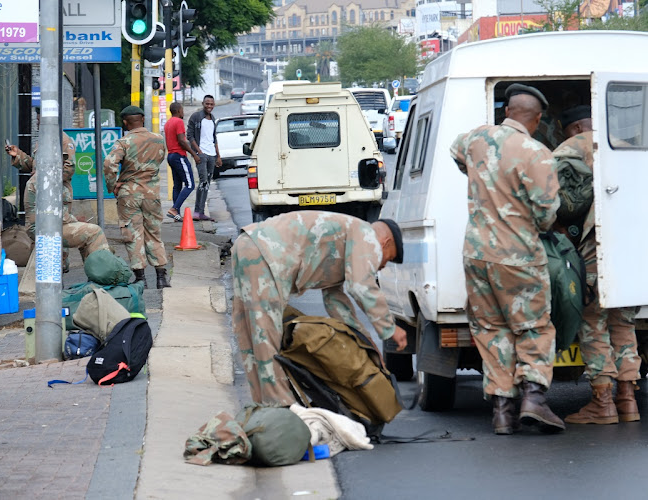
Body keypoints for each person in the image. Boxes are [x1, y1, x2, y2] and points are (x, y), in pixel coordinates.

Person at [450, 83, 565, 435]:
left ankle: (502, 411)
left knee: (491, 329)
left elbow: (456, 154)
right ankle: (534, 400)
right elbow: (547, 215)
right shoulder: (538, 154)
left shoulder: (476, 139)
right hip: (518, 256)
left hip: (476, 254)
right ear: (538, 118)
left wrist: (480, 177)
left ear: (507, 111)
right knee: (533, 327)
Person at [231, 211, 407, 405]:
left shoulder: (348, 236)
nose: (382, 266)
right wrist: (390, 329)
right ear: (386, 243)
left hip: (248, 244)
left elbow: (336, 302)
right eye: (388, 260)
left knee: (250, 333)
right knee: (266, 338)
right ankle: (281, 410)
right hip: (266, 253)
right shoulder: (367, 236)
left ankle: (262, 406)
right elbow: (361, 286)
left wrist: (368, 345)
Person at [553, 105, 641, 425]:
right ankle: (627, 398)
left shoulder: (568, 149)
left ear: (576, 127)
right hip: (632, 255)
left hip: (594, 253)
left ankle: (603, 403)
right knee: (623, 322)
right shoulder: (629, 147)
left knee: (591, 322)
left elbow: (554, 206)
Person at [10, 131, 110, 263]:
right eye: (60, 159)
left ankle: (94, 273)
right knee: (94, 232)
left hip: (49, 223)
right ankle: (104, 271)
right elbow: (56, 215)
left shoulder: (45, 176)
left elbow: (65, 170)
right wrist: (76, 220)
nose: (63, 162)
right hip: (48, 226)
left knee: (75, 242)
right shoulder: (46, 182)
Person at [103, 105, 171, 289]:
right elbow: (160, 159)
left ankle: (141, 278)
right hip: (152, 194)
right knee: (154, 233)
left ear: (125, 122)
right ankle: (161, 277)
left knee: (133, 234)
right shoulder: (158, 139)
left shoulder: (123, 142)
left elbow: (109, 165)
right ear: (142, 119)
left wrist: (113, 186)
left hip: (129, 194)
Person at [187, 95, 222, 221]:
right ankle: (197, 211)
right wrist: (199, 152)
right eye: (207, 104)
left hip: (212, 155)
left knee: (207, 183)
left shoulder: (212, 118)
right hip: (202, 154)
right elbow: (189, 136)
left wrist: (218, 155)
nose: (209, 106)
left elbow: (214, 138)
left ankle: (201, 212)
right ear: (203, 103)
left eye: (211, 104)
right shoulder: (196, 117)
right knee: (203, 181)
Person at [164, 102, 200, 221]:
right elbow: (182, 141)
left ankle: (176, 215)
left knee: (177, 186)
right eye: (182, 110)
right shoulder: (178, 122)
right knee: (190, 184)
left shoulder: (168, 123)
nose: (183, 112)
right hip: (179, 156)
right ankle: (174, 209)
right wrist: (194, 154)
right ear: (179, 110)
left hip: (170, 156)